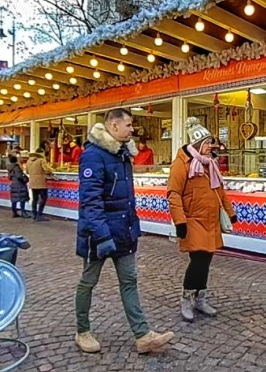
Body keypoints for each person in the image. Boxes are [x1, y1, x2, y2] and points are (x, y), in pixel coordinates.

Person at [74, 108, 174, 355]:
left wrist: (133, 225)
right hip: (99, 234)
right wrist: (102, 235)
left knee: (129, 281)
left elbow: (126, 198)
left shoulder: (122, 155)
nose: (132, 129)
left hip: (124, 231)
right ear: (114, 126)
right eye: (128, 125)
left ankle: (143, 335)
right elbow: (90, 201)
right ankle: (82, 331)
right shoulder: (93, 156)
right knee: (88, 282)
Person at [167, 117, 237, 322]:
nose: (210, 146)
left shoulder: (210, 164)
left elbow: (219, 191)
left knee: (206, 260)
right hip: (192, 220)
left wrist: (229, 212)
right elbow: (173, 194)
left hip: (210, 219)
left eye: (210, 142)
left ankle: (200, 297)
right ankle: (186, 298)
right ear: (197, 144)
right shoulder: (182, 164)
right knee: (198, 260)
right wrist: (179, 221)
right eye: (206, 143)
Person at [26, 148, 53, 222]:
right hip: (41, 182)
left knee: (34, 199)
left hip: (32, 182)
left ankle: (34, 214)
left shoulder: (28, 161)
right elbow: (47, 169)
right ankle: (39, 214)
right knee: (43, 198)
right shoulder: (41, 160)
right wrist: (51, 171)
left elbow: (27, 171)